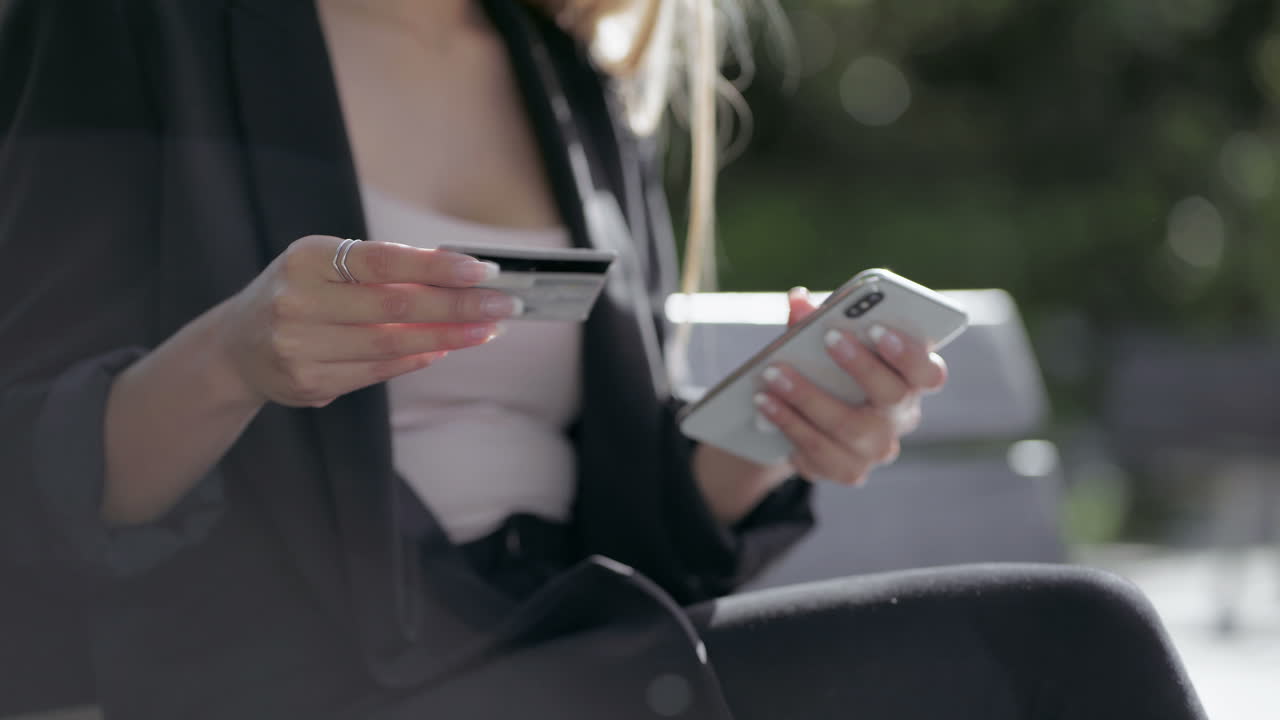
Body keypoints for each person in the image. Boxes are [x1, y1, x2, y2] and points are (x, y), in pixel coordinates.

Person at [0, 1, 1207, 718]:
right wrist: (236, 358)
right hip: (312, 682)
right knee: (1069, 645)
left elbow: (624, 539)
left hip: (563, 659)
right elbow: (33, 482)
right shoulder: (139, 24)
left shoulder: (557, 70)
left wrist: (766, 434)